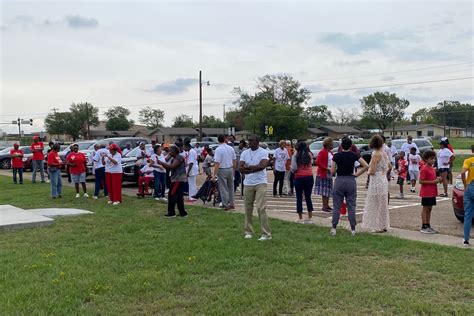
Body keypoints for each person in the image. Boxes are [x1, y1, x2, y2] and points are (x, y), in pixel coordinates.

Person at [331, 137, 368, 236]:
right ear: (351, 146)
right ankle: (353, 229)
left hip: (339, 180)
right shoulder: (354, 155)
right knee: (351, 205)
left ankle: (334, 228)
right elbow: (366, 165)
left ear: (341, 145)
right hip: (350, 180)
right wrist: (356, 174)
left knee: (337, 205)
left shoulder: (336, 156)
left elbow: (333, 171)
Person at [239, 135, 272, 241]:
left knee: (261, 208)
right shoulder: (245, 153)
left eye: (252, 141)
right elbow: (240, 168)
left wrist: (248, 168)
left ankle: (266, 234)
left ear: (257, 141)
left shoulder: (263, 152)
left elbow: (262, 166)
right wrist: (253, 168)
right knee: (248, 208)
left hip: (260, 183)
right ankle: (248, 231)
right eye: (249, 141)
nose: (249, 143)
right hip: (248, 183)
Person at [361, 135, 392, 233]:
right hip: (383, 179)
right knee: (382, 203)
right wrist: (384, 172)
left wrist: (368, 172)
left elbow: (373, 170)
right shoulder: (384, 153)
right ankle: (384, 225)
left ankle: (377, 226)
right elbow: (389, 166)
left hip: (376, 180)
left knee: (375, 203)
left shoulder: (375, 154)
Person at [156, 145, 188, 218]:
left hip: (178, 179)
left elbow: (172, 166)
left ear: (174, 151)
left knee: (172, 195)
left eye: (171, 150)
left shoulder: (179, 157)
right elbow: (168, 166)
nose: (169, 152)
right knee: (179, 197)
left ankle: (171, 213)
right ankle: (183, 213)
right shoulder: (174, 158)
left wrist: (162, 163)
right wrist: (161, 162)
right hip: (177, 179)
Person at [419, 150, 442, 234]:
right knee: (425, 208)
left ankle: (428, 225)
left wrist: (439, 179)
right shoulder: (424, 169)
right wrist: (433, 182)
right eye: (431, 159)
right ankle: (424, 226)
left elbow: (433, 179)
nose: (433, 160)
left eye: (434, 159)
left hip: (432, 192)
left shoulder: (432, 168)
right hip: (426, 192)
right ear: (425, 159)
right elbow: (421, 181)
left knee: (430, 208)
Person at [291, 141, 314, 223]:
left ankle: (300, 218)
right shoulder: (309, 154)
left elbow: (294, 168)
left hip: (299, 177)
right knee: (308, 197)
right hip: (309, 176)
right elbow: (312, 163)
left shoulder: (295, 155)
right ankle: (310, 217)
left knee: (299, 197)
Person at [213, 135, 236, 211]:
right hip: (230, 168)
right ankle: (232, 203)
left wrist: (214, 174)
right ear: (225, 139)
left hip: (222, 169)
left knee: (223, 188)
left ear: (218, 141)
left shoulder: (218, 149)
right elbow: (234, 160)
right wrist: (234, 170)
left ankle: (225, 204)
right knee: (231, 187)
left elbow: (217, 162)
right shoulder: (231, 148)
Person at [315, 137, 334, 212]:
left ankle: (327, 205)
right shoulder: (323, 152)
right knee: (324, 190)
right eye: (332, 143)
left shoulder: (330, 152)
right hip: (323, 173)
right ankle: (324, 206)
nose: (333, 145)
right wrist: (326, 168)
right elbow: (317, 162)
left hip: (329, 173)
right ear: (328, 144)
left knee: (328, 190)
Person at [460, 145, 474, 247]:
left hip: (470, 186)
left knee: (468, 214)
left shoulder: (468, 161)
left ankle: (466, 240)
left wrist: (465, 185)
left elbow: (462, 173)